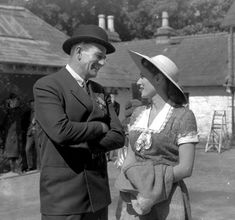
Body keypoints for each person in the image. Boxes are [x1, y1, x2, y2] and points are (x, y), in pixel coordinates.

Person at [33, 24, 125, 220]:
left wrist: (83, 140)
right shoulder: (48, 86)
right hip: (64, 199)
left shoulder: (99, 90)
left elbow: (118, 136)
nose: (103, 63)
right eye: (99, 56)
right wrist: (101, 126)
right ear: (79, 52)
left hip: (98, 196)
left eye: (104, 58)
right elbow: (61, 132)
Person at [115, 51, 199, 220]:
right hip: (134, 196)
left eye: (142, 77)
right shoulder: (137, 113)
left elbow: (185, 168)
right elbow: (130, 159)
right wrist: (135, 186)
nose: (138, 82)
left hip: (167, 199)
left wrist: (151, 191)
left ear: (159, 79)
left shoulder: (183, 116)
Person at [25, 99, 39, 171]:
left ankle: (39, 166)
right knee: (27, 149)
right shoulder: (28, 113)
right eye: (31, 105)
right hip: (29, 133)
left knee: (38, 149)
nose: (32, 106)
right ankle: (30, 166)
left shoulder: (40, 112)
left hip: (37, 132)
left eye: (33, 104)